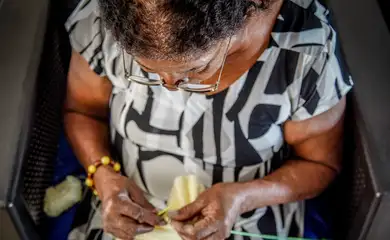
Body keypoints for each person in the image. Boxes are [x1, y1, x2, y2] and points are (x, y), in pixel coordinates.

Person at [65, 0, 353, 239]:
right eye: (144, 67)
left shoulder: (305, 53)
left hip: (245, 218)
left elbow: (320, 164)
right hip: (123, 210)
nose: (168, 85)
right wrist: (103, 175)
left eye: (195, 69)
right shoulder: (103, 20)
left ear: (240, 21)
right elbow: (82, 112)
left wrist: (242, 198)